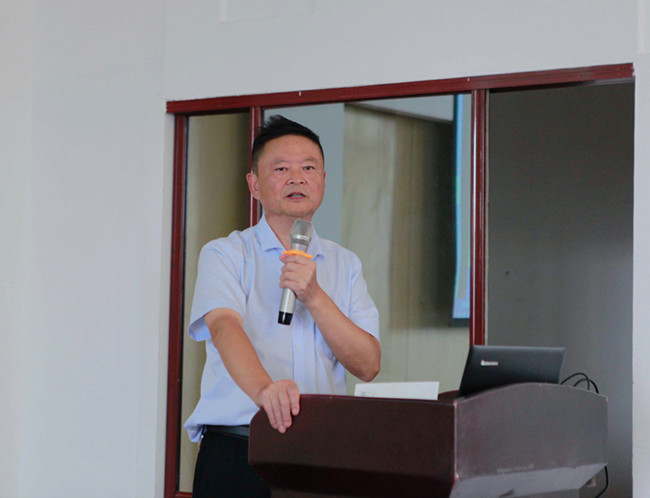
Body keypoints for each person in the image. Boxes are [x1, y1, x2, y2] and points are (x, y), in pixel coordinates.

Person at [185, 115, 381, 497]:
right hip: (239, 449)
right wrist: (265, 391)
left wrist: (315, 296)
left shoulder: (345, 264)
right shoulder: (226, 254)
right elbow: (224, 327)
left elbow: (368, 364)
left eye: (308, 167)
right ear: (254, 185)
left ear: (323, 179)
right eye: (281, 169)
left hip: (321, 453)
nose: (297, 178)